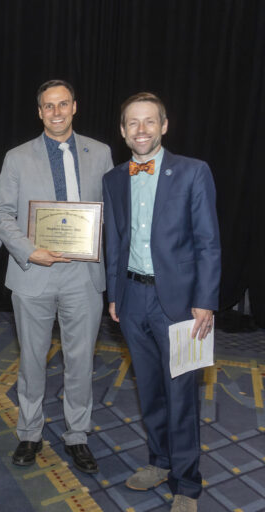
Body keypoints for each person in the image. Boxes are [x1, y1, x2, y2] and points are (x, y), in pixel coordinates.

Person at [103, 92, 220, 512]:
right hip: (132, 299)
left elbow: (208, 242)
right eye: (133, 123)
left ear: (164, 126)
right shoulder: (114, 179)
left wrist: (205, 300)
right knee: (149, 389)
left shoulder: (193, 171)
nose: (141, 130)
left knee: (181, 394)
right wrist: (114, 295)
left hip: (181, 302)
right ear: (122, 131)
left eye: (149, 121)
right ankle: (159, 461)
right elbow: (114, 242)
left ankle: (187, 484)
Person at [0, 80, 113, 473]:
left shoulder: (101, 152)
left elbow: (113, 210)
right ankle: (30, 433)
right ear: (39, 111)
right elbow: (1, 214)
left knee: (80, 360)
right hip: (34, 272)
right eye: (48, 106)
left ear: (75, 106)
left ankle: (77, 435)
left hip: (84, 274)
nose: (56, 112)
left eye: (63, 104)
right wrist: (29, 250)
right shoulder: (17, 157)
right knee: (31, 359)